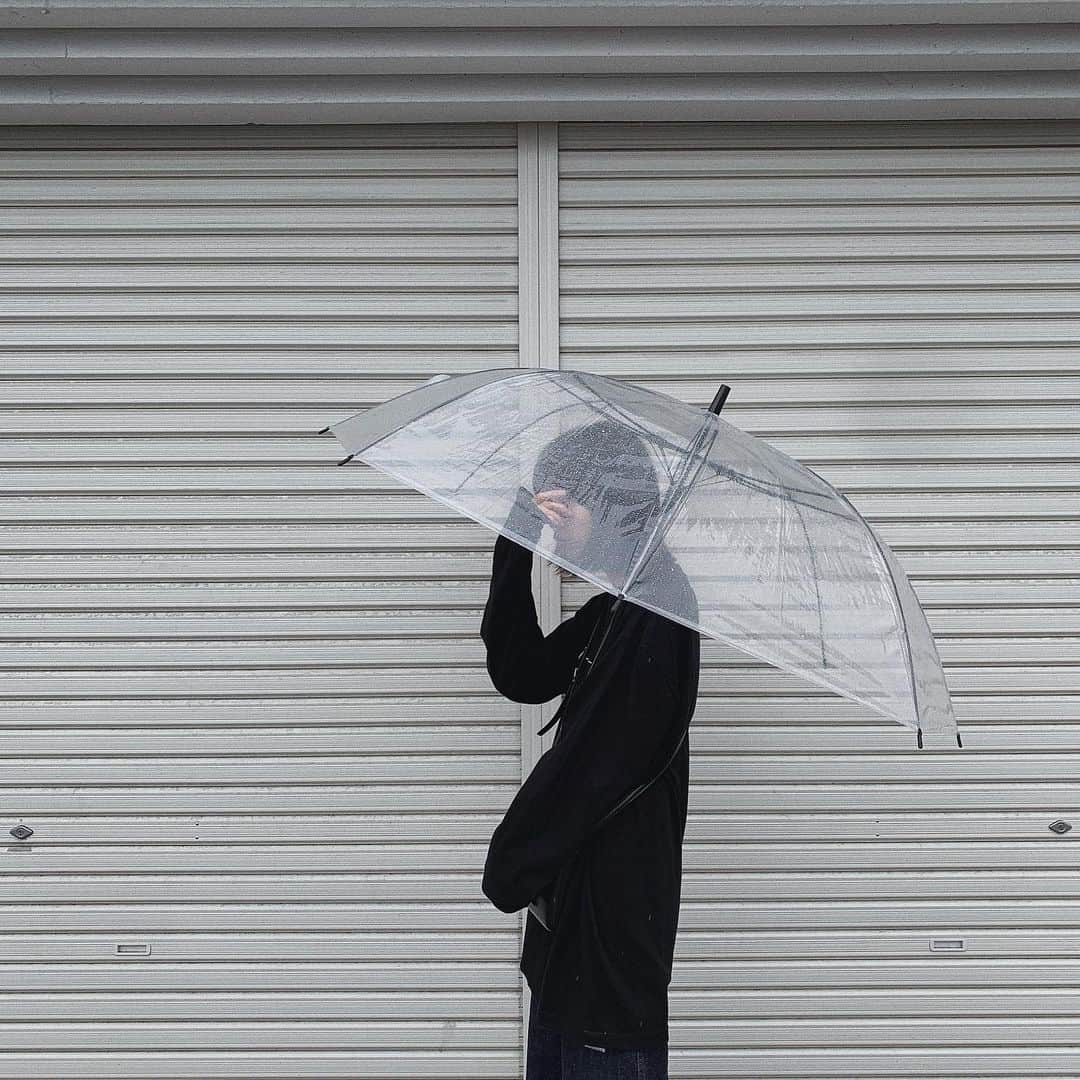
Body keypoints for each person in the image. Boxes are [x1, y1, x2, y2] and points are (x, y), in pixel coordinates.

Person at [479, 422, 701, 1079]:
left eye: (565, 505)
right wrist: (516, 538)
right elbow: (523, 672)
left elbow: (588, 773)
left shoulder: (659, 614)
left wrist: (511, 863)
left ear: (608, 506)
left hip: (609, 961)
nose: (556, 523)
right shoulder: (617, 610)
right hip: (572, 944)